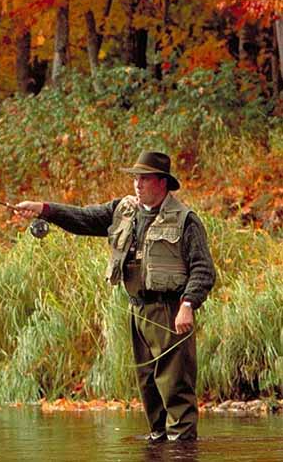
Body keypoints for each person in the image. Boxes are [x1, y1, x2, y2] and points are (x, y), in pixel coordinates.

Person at [15, 150, 216, 443]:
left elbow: (203, 269)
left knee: (175, 388)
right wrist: (43, 208)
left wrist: (187, 305)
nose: (137, 184)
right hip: (138, 311)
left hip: (170, 312)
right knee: (148, 386)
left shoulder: (186, 220)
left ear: (162, 183)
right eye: (135, 178)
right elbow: (83, 218)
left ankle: (182, 448)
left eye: (144, 179)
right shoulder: (124, 210)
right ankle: (160, 444)